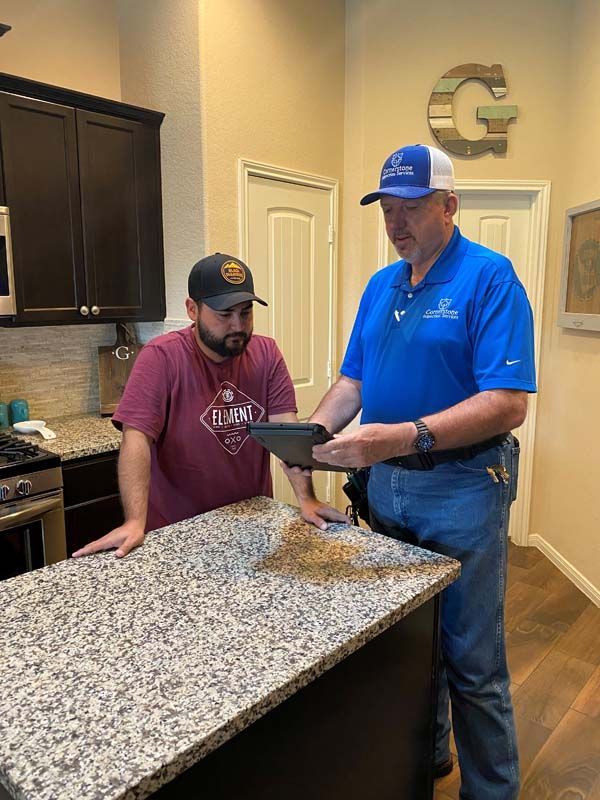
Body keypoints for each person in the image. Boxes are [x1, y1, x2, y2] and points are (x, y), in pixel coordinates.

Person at [307, 144, 535, 800]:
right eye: (387, 209)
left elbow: (508, 403)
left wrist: (405, 436)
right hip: (388, 485)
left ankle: (491, 791)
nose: (395, 222)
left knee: (472, 658)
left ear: (449, 206)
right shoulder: (381, 286)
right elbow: (353, 379)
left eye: (411, 208)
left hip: (463, 485)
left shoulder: (491, 278)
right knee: (411, 643)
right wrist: (316, 433)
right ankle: (427, 759)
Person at [73, 253, 346, 559]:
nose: (237, 325)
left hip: (250, 523)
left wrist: (307, 499)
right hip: (177, 531)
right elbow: (135, 440)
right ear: (192, 309)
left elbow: (289, 435)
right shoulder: (161, 358)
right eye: (224, 314)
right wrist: (135, 521)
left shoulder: (266, 354)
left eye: (246, 313)